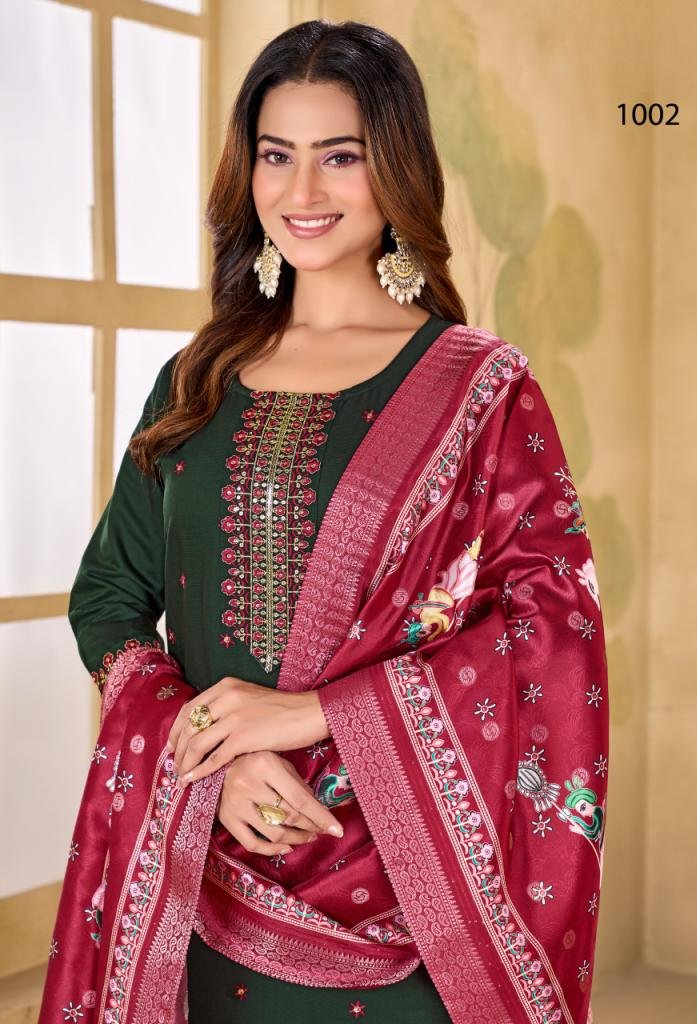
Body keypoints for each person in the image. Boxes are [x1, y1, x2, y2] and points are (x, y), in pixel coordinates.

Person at [38, 18, 608, 1024]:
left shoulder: (482, 389)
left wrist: (317, 713)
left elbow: (552, 627)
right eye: (276, 155)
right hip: (207, 863)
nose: (302, 191)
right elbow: (109, 598)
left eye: (340, 157)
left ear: (397, 168)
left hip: (414, 887)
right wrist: (210, 752)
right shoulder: (196, 380)